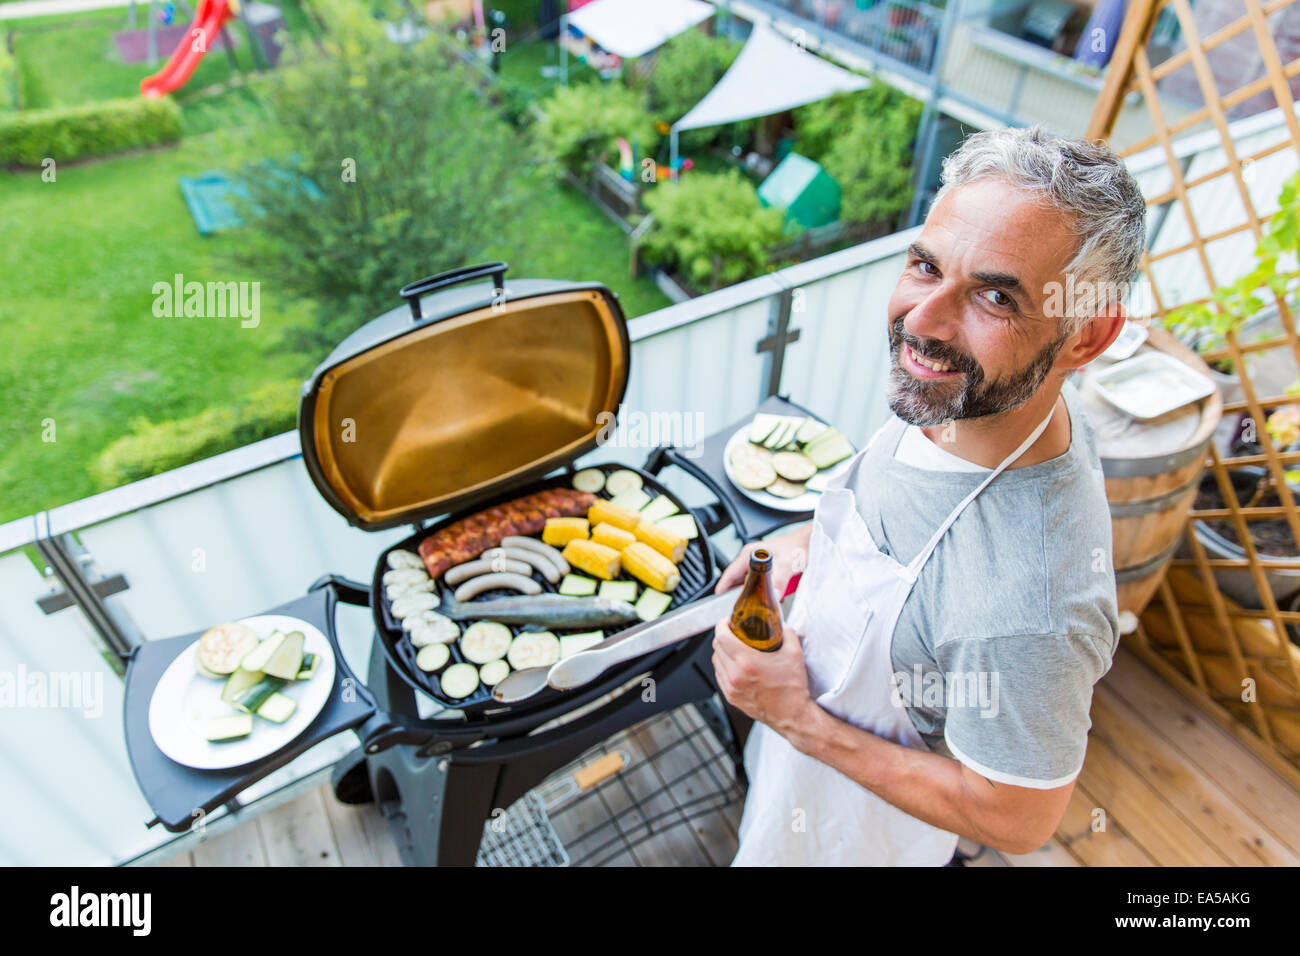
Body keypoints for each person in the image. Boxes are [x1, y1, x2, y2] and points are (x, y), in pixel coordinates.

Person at [712, 125, 1147, 865]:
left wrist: (795, 719)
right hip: (793, 776)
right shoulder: (969, 396)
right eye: (925, 264)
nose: (920, 322)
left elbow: (1016, 819)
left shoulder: (1032, 605)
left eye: (995, 296)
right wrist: (808, 542)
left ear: (1084, 337)